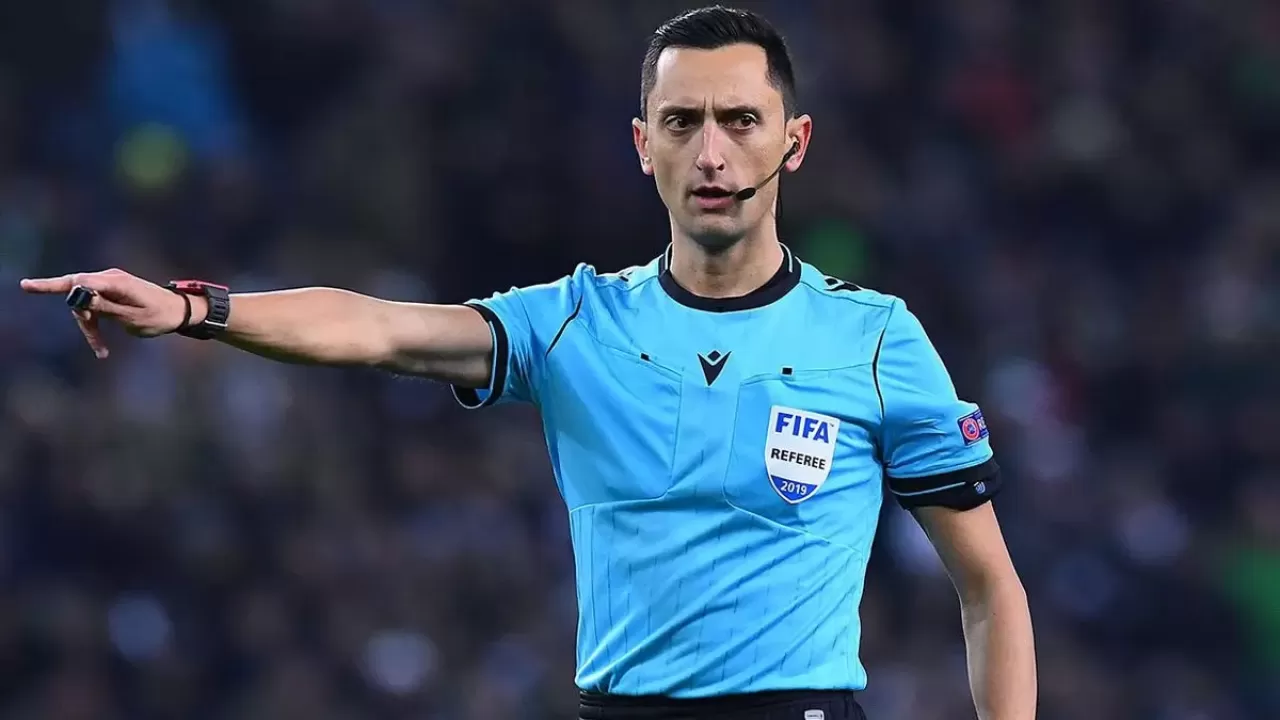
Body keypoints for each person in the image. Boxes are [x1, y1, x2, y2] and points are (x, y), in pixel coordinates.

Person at [21, 6, 1036, 719]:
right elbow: (378, 328)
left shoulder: (872, 338)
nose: (711, 154)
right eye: (682, 123)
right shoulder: (574, 323)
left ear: (794, 141)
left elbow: (987, 585)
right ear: (642, 144)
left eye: (740, 121)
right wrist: (194, 309)